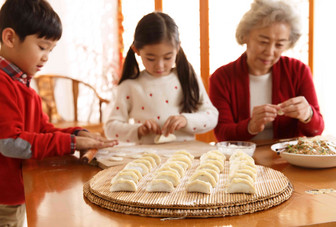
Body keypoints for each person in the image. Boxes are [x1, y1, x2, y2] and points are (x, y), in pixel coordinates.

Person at [0, 0, 118, 226]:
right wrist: (70, 143)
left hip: (15, 194)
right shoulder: (3, 85)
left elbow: (43, 130)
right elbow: (10, 143)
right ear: (10, 38)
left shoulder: (23, 86)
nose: (46, 57)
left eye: (50, 50)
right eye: (42, 47)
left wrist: (78, 133)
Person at [209, 0, 324, 142]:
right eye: (263, 42)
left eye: (279, 44)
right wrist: (250, 126)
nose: (270, 52)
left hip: (286, 159)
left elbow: (317, 130)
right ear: (245, 36)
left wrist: (308, 114)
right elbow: (222, 134)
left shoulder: (298, 71)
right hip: (242, 159)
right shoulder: (221, 77)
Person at [104, 12, 218, 144]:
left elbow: (212, 117)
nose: (160, 65)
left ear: (177, 48)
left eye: (167, 57)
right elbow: (110, 129)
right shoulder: (130, 86)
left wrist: (186, 120)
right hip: (145, 158)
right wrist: (138, 130)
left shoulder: (189, 79)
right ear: (136, 51)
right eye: (151, 58)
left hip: (185, 156)